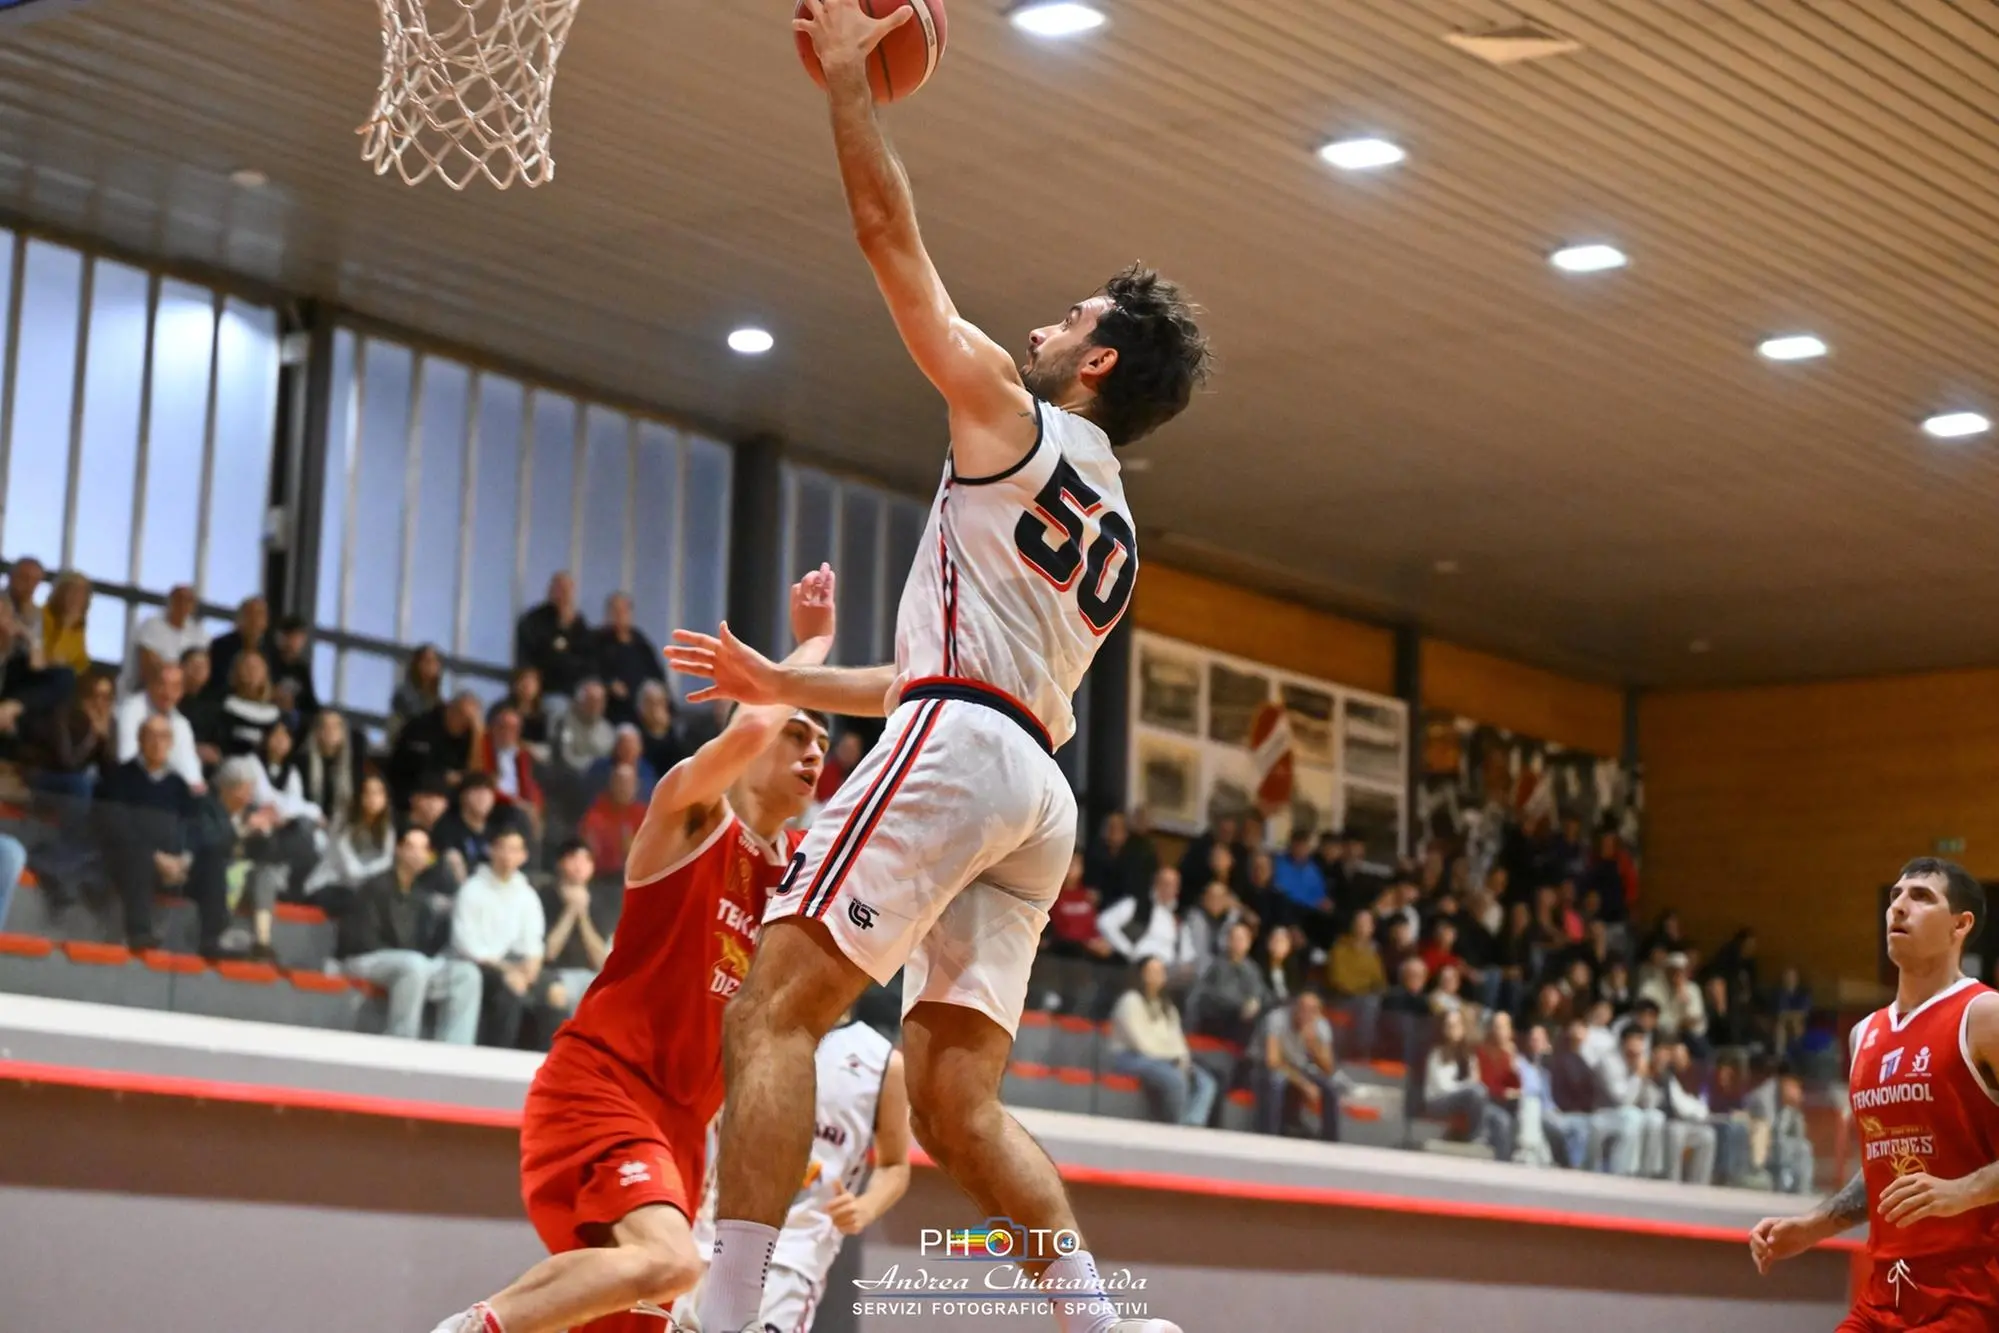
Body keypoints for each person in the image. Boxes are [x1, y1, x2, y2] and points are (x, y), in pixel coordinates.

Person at [674, 6, 1208, 1327]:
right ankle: (1098, 1323)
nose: (1041, 321)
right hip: (1032, 790)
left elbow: (885, 239)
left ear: (1093, 365)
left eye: (1069, 317)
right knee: (960, 1108)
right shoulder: (1115, 525)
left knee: (773, 1015)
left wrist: (852, 82)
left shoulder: (1013, 424)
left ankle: (728, 1313)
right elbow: (947, 689)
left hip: (971, 751)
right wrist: (788, 683)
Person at [428, 568, 835, 1333]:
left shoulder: (790, 877)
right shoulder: (689, 811)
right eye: (798, 732)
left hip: (682, 1132)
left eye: (822, 741)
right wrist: (811, 644)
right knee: (674, 1261)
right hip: (604, 1087)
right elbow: (747, 729)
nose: (814, 750)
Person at [1751, 858, 1999, 1329]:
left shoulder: (1985, 1015)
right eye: (1895, 897)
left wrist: (1962, 1192)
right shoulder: (1864, 1034)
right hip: (1890, 1286)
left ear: (1960, 924)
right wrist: (1813, 1226)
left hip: (1977, 1288)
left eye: (1921, 897)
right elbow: (1882, 1168)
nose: (1899, 907)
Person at [680, 1021, 911, 1333]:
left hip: (794, 1254)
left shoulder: (882, 1061)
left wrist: (866, 1207)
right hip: (706, 1241)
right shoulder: (748, 1021)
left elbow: (895, 1165)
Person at [341, 825, 480, 1044]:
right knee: (414, 965)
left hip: (414, 965)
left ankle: (455, 1053)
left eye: (424, 849)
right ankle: (402, 1044)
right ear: (399, 850)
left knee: (466, 974)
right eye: (412, 847)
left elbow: (427, 946)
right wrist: (411, 957)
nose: (418, 854)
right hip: (365, 958)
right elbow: (360, 939)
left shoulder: (422, 895)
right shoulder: (375, 886)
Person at [95, 714, 200, 951]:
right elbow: (116, 825)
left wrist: (184, 859)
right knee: (137, 856)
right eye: (151, 735)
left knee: (212, 862)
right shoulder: (119, 777)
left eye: (164, 736)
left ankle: (213, 938)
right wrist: (156, 857)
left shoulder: (178, 784)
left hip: (174, 866)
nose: (157, 742)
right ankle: (140, 933)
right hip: (129, 860)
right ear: (140, 740)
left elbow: (193, 826)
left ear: (172, 742)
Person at [1106, 956, 1217, 1127]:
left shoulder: (1168, 1007)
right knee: (1175, 1077)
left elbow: (1178, 1042)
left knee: (1206, 1081)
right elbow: (1141, 1043)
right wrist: (1172, 1060)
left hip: (1165, 1060)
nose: (1157, 975)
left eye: (1160, 971)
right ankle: (1176, 1127)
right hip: (1130, 1057)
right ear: (1141, 974)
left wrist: (1183, 1060)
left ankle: (1192, 1123)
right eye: (1152, 971)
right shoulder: (1130, 1001)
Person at [538, 840, 615, 1022]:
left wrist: (583, 916)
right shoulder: (545, 896)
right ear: (561, 863)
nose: (580, 866)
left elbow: (601, 959)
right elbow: (548, 953)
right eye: (574, 858)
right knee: (558, 994)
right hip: (553, 972)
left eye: (586, 860)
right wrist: (570, 911)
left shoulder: (600, 902)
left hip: (589, 974)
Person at [1424, 1009, 1512, 1161]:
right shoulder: (1437, 1054)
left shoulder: (1469, 1055)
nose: (1453, 1029)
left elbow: (1475, 1083)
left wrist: (1471, 1088)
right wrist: (1468, 1087)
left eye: (1456, 1025)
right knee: (1476, 1092)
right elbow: (1444, 1087)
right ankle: (1477, 1139)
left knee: (1502, 1119)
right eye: (1449, 1025)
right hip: (1438, 1101)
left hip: (1467, 1101)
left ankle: (1502, 1164)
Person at [1254, 991, 1342, 1142]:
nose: (1307, 1014)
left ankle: (1330, 1141)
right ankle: (1268, 1136)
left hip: (1301, 1067)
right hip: (1265, 1066)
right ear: (1294, 1007)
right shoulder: (1277, 1019)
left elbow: (1329, 1068)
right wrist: (1304, 1085)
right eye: (1303, 1008)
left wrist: (1313, 1045)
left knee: (1331, 1087)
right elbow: (1273, 1061)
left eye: (1313, 1010)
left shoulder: (1321, 1024)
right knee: (1276, 1081)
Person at [1185, 920, 1270, 1045]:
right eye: (1234, 938)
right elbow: (1214, 994)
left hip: (1243, 1021)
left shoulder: (1252, 968)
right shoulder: (1216, 964)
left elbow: (1260, 992)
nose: (1237, 943)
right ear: (1228, 941)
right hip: (1216, 1017)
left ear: (1249, 943)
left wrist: (1256, 1001)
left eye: (1241, 939)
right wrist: (1242, 1005)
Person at [516, 571, 594, 700]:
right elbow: (533, 656)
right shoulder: (534, 620)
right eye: (560, 589)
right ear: (550, 591)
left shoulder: (580, 624)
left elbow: (587, 659)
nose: (564, 595)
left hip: (575, 691)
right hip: (545, 690)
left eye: (567, 590)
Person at [122, 584, 209, 697]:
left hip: (186, 698)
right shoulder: (152, 626)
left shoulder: (199, 634)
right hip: (147, 694)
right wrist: (183, 671)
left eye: (188, 601)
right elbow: (149, 667)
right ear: (170, 602)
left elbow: (200, 672)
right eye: (179, 599)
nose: (183, 605)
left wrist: (170, 666)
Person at [594, 592, 664, 727]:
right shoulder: (598, 641)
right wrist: (609, 683)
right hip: (613, 706)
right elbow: (591, 670)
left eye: (623, 610)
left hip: (642, 705)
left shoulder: (641, 642)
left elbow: (658, 676)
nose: (619, 615)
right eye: (614, 611)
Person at [203, 595, 268, 700]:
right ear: (239, 618)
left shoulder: (270, 650)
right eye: (250, 614)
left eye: (260, 615)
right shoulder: (220, 646)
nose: (255, 620)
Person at [39, 571, 92, 675]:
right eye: (72, 592)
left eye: (81, 594)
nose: (76, 598)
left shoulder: (77, 627)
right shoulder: (41, 616)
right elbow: (50, 659)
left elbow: (81, 663)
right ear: (59, 593)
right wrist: (65, 627)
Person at [391, 644, 446, 743]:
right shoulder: (404, 694)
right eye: (427, 661)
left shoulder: (438, 701)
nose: (431, 666)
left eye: (435, 662)